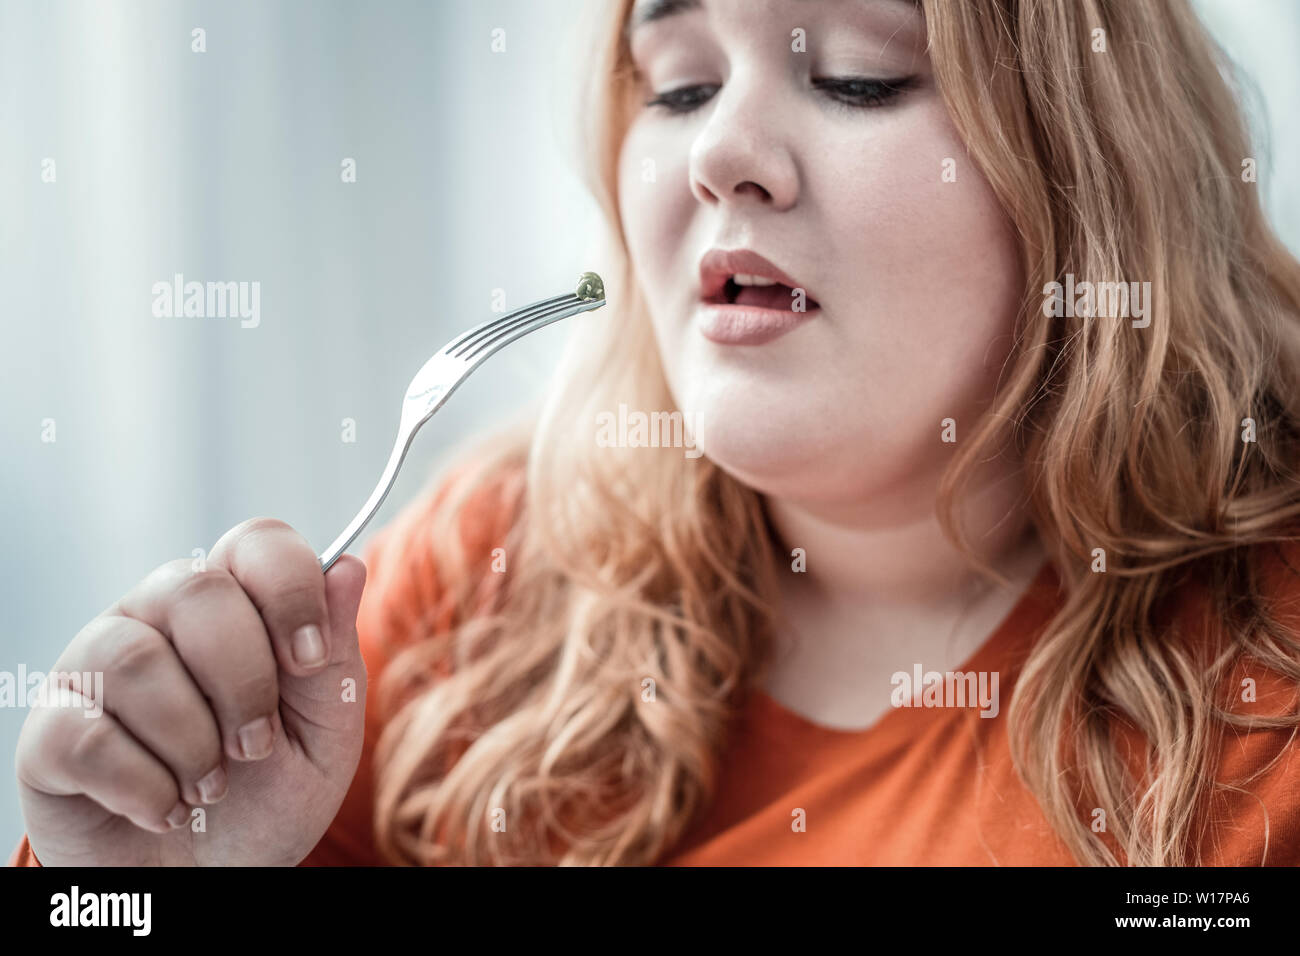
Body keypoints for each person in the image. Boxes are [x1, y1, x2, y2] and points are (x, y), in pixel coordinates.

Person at [12, 0, 1300, 867]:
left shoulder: (1268, 703)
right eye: (678, 88)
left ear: (1089, 169)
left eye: (858, 75)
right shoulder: (491, 560)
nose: (721, 152)